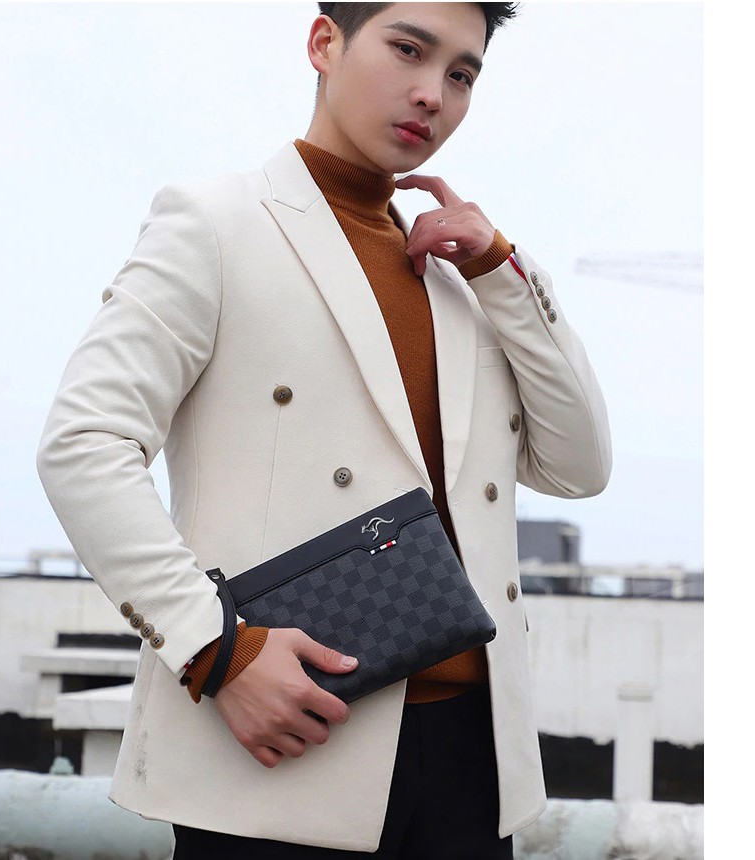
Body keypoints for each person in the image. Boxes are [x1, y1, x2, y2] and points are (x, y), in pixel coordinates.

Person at [36, 2, 612, 856]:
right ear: (324, 42)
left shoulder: (458, 277)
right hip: (284, 747)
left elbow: (578, 466)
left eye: (461, 74)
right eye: (408, 49)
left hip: (474, 761)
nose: (433, 93)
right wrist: (214, 648)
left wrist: (504, 268)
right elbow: (84, 443)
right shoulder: (217, 223)